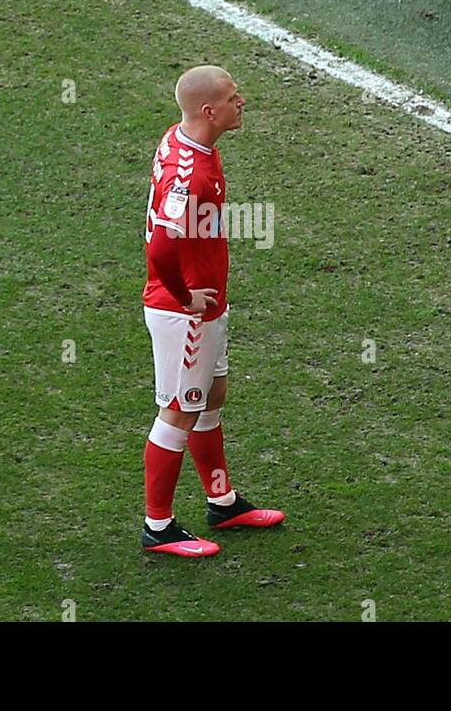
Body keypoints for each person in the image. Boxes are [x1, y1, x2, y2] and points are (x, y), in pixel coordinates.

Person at [140, 65, 285, 557]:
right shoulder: (194, 174)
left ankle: (221, 501)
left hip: (205, 306)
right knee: (179, 411)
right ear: (209, 111)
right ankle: (157, 526)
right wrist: (185, 298)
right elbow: (161, 248)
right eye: (231, 96)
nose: (241, 101)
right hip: (184, 313)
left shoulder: (190, 142)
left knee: (212, 397)